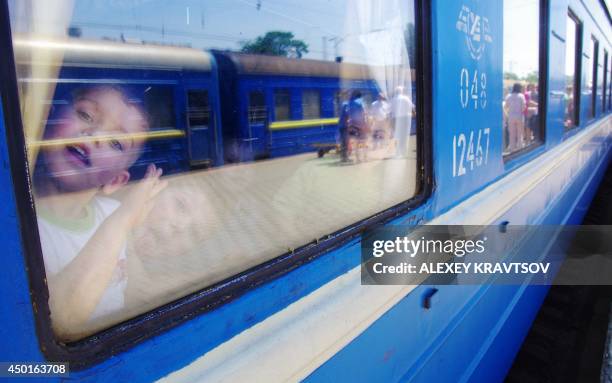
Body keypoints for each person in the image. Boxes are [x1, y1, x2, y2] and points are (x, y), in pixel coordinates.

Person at [34, 85, 166, 339]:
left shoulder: (112, 211)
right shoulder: (19, 225)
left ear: (116, 181)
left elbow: (137, 292)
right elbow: (60, 319)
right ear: (47, 121)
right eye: (85, 115)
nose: (95, 134)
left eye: (116, 143)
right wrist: (123, 220)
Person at [391, 86, 414, 158]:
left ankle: (398, 152)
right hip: (405, 118)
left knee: (397, 135)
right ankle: (403, 151)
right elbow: (412, 107)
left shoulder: (393, 100)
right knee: (404, 135)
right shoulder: (406, 98)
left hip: (396, 118)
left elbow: (389, 110)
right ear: (402, 91)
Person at [347, 90, 369, 162]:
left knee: (356, 142)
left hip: (352, 124)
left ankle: (358, 158)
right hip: (361, 124)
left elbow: (348, 113)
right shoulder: (361, 101)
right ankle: (365, 157)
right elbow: (364, 113)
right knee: (364, 141)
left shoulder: (349, 103)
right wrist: (366, 124)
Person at [504, 83, 526, 152]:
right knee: (520, 133)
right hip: (519, 116)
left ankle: (512, 148)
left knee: (512, 134)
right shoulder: (521, 96)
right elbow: (523, 107)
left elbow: (506, 106)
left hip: (511, 116)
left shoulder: (508, 96)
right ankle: (520, 147)